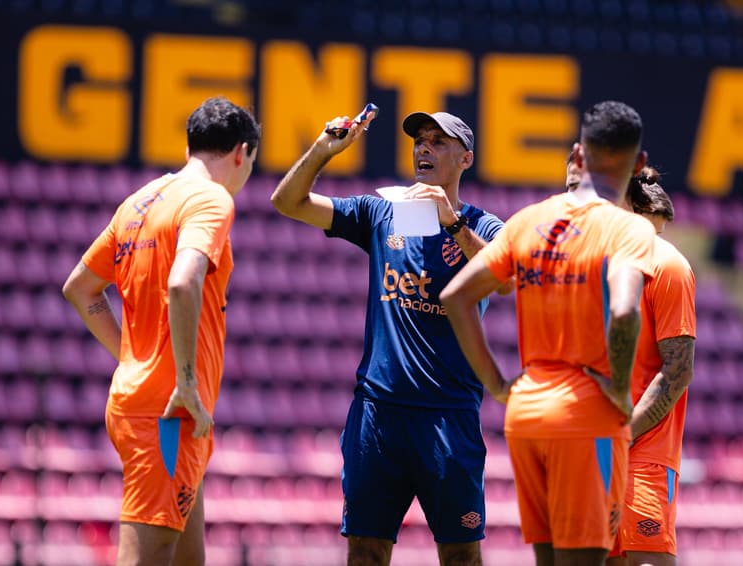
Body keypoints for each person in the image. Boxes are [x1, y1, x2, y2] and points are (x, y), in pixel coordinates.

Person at [270, 108, 505, 566]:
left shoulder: (484, 224)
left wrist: (451, 221)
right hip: (378, 415)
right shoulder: (381, 211)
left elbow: (502, 273)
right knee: (365, 552)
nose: (424, 148)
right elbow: (288, 202)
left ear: (466, 159)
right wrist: (323, 150)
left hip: (448, 417)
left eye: (439, 141)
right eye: (420, 140)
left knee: (461, 556)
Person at [441, 100, 656, 566]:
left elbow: (455, 296)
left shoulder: (526, 221)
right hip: (586, 418)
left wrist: (498, 385)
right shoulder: (627, 230)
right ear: (638, 165)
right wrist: (619, 390)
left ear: (579, 154)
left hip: (526, 414)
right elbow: (623, 311)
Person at [62, 96, 260, 566]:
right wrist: (186, 382)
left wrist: (134, 359)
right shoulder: (211, 198)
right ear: (241, 152)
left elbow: (81, 289)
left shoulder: (140, 200)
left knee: (186, 560)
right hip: (171, 414)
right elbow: (182, 280)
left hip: (149, 403)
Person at [596, 168, 696, 566]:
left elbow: (678, 371)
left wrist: (620, 435)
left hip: (642, 459)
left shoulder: (667, 265)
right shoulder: (597, 267)